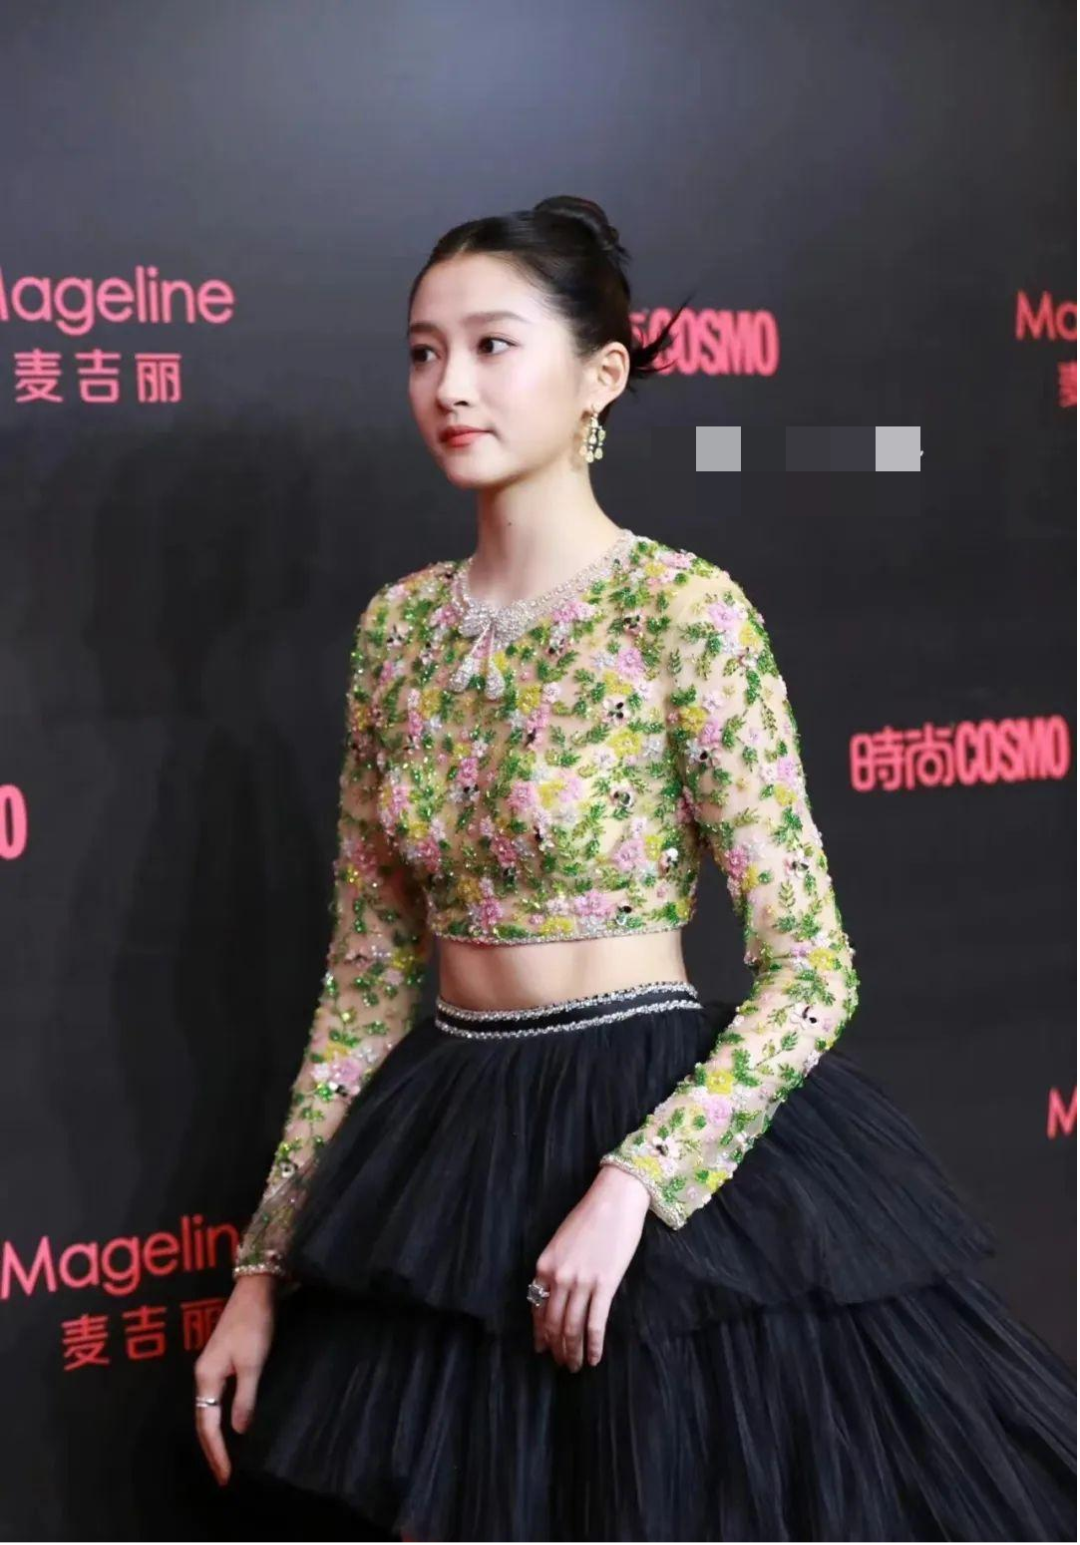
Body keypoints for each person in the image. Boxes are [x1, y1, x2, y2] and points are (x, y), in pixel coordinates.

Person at [193, 196, 1077, 1543]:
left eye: (493, 345)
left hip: (649, 1132)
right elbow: (367, 980)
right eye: (424, 352)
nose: (450, 385)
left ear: (601, 375)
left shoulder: (683, 612)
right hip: (445, 1154)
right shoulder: (397, 633)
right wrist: (263, 1269)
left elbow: (811, 969)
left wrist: (638, 1186)